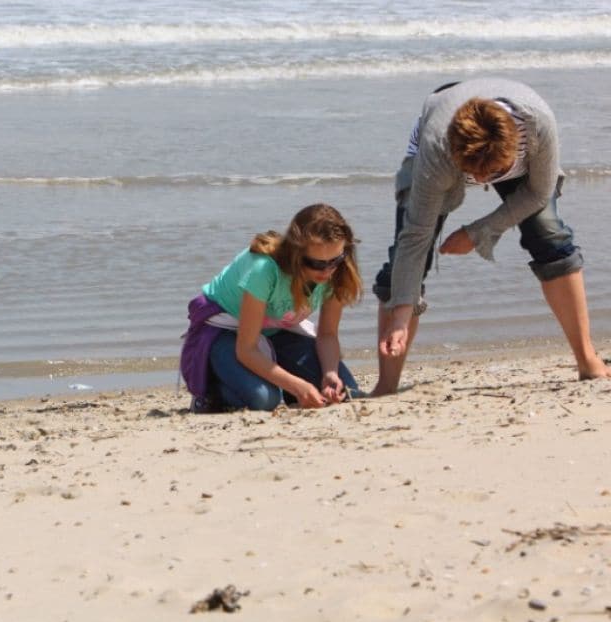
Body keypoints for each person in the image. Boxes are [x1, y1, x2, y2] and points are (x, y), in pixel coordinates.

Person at [372, 77, 610, 395]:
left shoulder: (538, 125)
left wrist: (477, 232)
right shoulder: (437, 150)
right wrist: (401, 316)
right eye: (474, 173)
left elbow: (538, 193)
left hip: (516, 148)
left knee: (550, 237)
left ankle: (587, 360)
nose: (482, 181)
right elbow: (415, 237)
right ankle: (386, 386)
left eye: (492, 173)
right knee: (405, 255)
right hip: (442, 143)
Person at [181, 203, 362, 412]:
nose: (328, 270)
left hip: (276, 331)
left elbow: (328, 334)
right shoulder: (264, 270)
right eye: (317, 264)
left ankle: (281, 383)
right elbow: (246, 350)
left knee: (346, 390)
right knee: (264, 400)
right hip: (225, 331)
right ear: (296, 253)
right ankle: (211, 390)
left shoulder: (337, 272)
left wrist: (330, 373)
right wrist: (297, 385)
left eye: (335, 260)